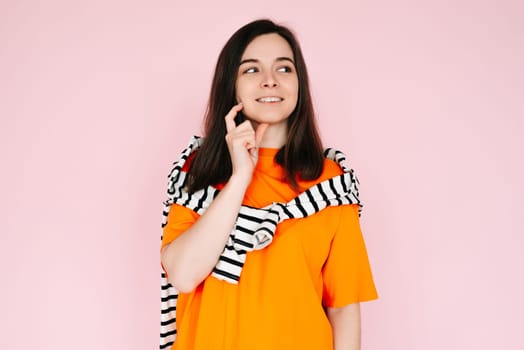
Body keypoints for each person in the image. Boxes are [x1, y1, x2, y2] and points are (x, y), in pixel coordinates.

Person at [159, 19, 378, 350]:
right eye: (251, 70)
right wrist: (239, 179)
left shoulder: (332, 182)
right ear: (230, 85)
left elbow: (343, 307)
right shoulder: (197, 171)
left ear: (299, 83)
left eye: (284, 69)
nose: (270, 81)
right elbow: (183, 274)